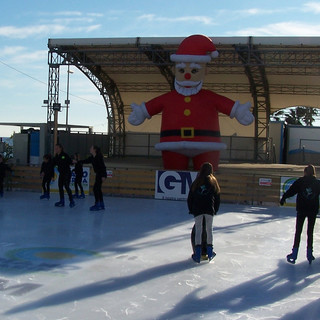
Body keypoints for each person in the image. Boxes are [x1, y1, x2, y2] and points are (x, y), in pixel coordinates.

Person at [280, 164, 320, 264]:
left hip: (302, 209)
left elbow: (291, 191)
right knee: (310, 232)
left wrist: (284, 197)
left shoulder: (300, 181)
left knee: (298, 231)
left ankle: (294, 254)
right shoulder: (317, 183)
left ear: (305, 172)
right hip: (312, 210)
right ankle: (310, 254)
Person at [187, 162, 220, 263]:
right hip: (209, 210)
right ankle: (209, 252)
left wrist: (191, 209)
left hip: (198, 210)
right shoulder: (213, 181)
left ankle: (197, 254)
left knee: (198, 230)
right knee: (209, 230)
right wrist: (215, 209)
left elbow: (190, 198)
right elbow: (217, 197)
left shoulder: (197, 182)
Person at [80, 145, 107, 211]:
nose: (90, 149)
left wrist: (104, 176)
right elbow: (86, 161)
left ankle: (97, 204)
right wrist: (78, 161)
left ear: (94, 150)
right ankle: (101, 204)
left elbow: (103, 167)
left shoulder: (99, 157)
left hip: (101, 174)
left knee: (96, 189)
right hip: (98, 174)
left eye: (91, 148)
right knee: (98, 189)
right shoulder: (92, 157)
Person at [52, 144, 75, 208]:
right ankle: (62, 201)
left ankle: (71, 201)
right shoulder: (56, 157)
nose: (55, 149)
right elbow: (52, 163)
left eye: (57, 148)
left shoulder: (64, 155)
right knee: (60, 186)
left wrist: (73, 161)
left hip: (67, 173)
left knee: (66, 186)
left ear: (60, 148)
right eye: (55, 148)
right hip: (61, 174)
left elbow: (70, 161)